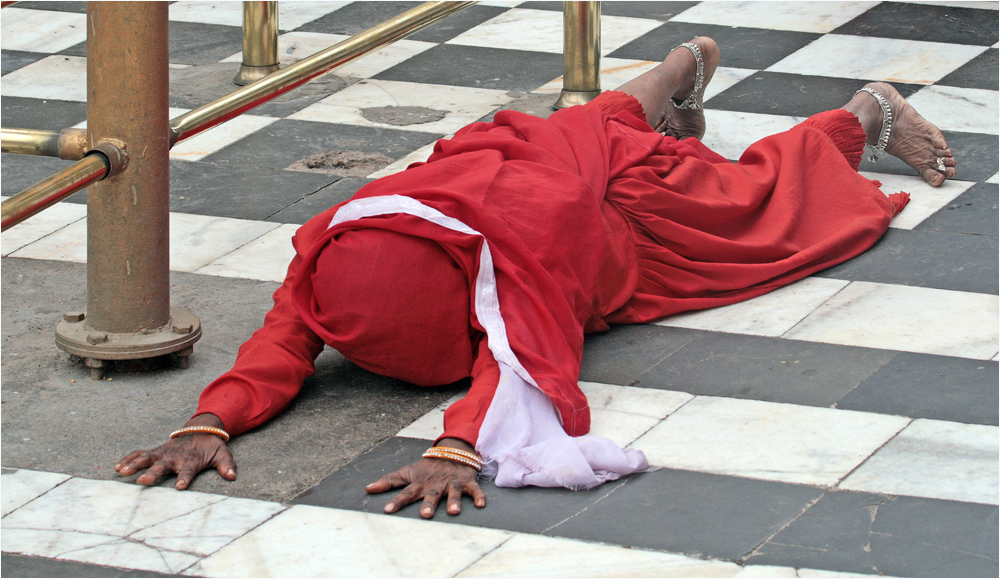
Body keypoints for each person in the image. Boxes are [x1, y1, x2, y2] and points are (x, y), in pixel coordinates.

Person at [115, 37, 957, 518]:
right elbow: (284, 335)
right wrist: (211, 421)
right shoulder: (339, 243)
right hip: (538, 160)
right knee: (593, 131)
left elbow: (520, 352)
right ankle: (667, 83)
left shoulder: (519, 260)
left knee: (757, 212)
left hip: (599, 212)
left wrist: (456, 444)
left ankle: (866, 112)